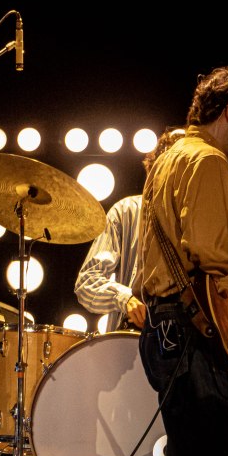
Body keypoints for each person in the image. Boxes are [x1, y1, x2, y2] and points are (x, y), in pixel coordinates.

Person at [136, 65, 228, 456]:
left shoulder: (167, 158)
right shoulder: (208, 160)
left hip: (162, 330)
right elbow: (214, 253)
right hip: (194, 335)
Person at [74, 128, 184, 331]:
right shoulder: (126, 211)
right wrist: (125, 299)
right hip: (133, 336)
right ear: (153, 171)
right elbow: (87, 282)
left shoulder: (202, 217)